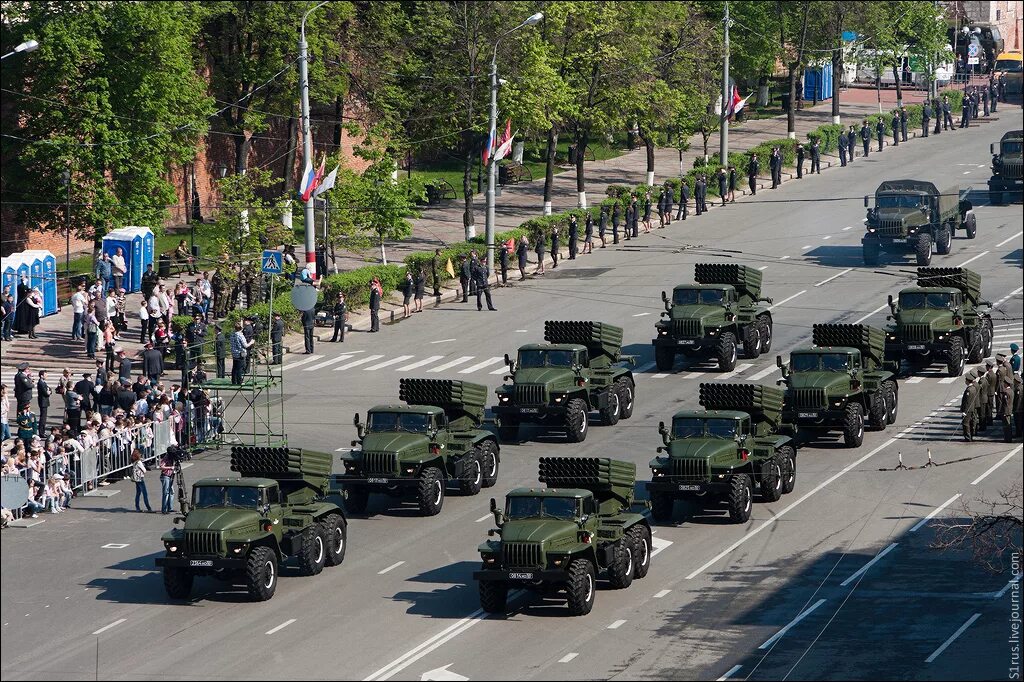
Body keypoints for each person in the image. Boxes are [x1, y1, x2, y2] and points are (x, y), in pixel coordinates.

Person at [961, 372, 979, 441]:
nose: (965, 381)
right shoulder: (973, 388)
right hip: (972, 408)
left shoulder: (969, 390)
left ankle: (968, 437)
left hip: (968, 410)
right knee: (970, 423)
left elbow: (967, 402)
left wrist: (965, 411)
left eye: (966, 380)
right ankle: (970, 435)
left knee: (965, 423)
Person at [36, 370, 51, 435]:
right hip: (43, 402)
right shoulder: (40, 383)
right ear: (41, 376)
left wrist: (49, 391)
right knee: (43, 418)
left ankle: (43, 431)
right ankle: (41, 432)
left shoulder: (43, 382)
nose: (47, 376)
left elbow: (49, 389)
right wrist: (48, 392)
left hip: (44, 401)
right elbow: (45, 392)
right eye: (45, 375)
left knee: (44, 417)